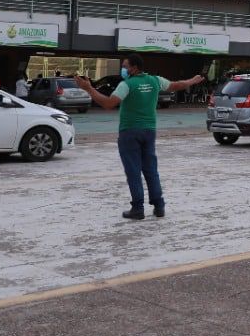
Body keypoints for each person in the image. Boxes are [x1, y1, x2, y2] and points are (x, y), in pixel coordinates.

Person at [75, 55, 204, 220]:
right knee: (151, 170)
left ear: (134, 68)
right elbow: (176, 85)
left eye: (125, 66)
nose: (123, 69)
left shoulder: (126, 84)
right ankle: (159, 206)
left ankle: (137, 208)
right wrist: (192, 81)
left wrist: (89, 89)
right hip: (149, 131)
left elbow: (108, 104)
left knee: (133, 171)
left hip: (129, 132)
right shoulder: (155, 80)